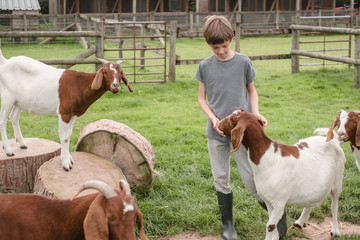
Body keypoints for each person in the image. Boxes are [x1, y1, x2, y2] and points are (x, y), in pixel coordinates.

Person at [195, 15, 287, 240]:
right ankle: (228, 226)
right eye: (216, 47)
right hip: (216, 134)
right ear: (208, 44)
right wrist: (213, 119)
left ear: (232, 39)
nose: (221, 51)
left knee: (251, 178)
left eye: (225, 45)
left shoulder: (243, 62)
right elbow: (201, 99)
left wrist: (255, 114)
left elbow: (252, 91)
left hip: (244, 134)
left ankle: (277, 214)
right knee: (220, 178)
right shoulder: (205, 66)